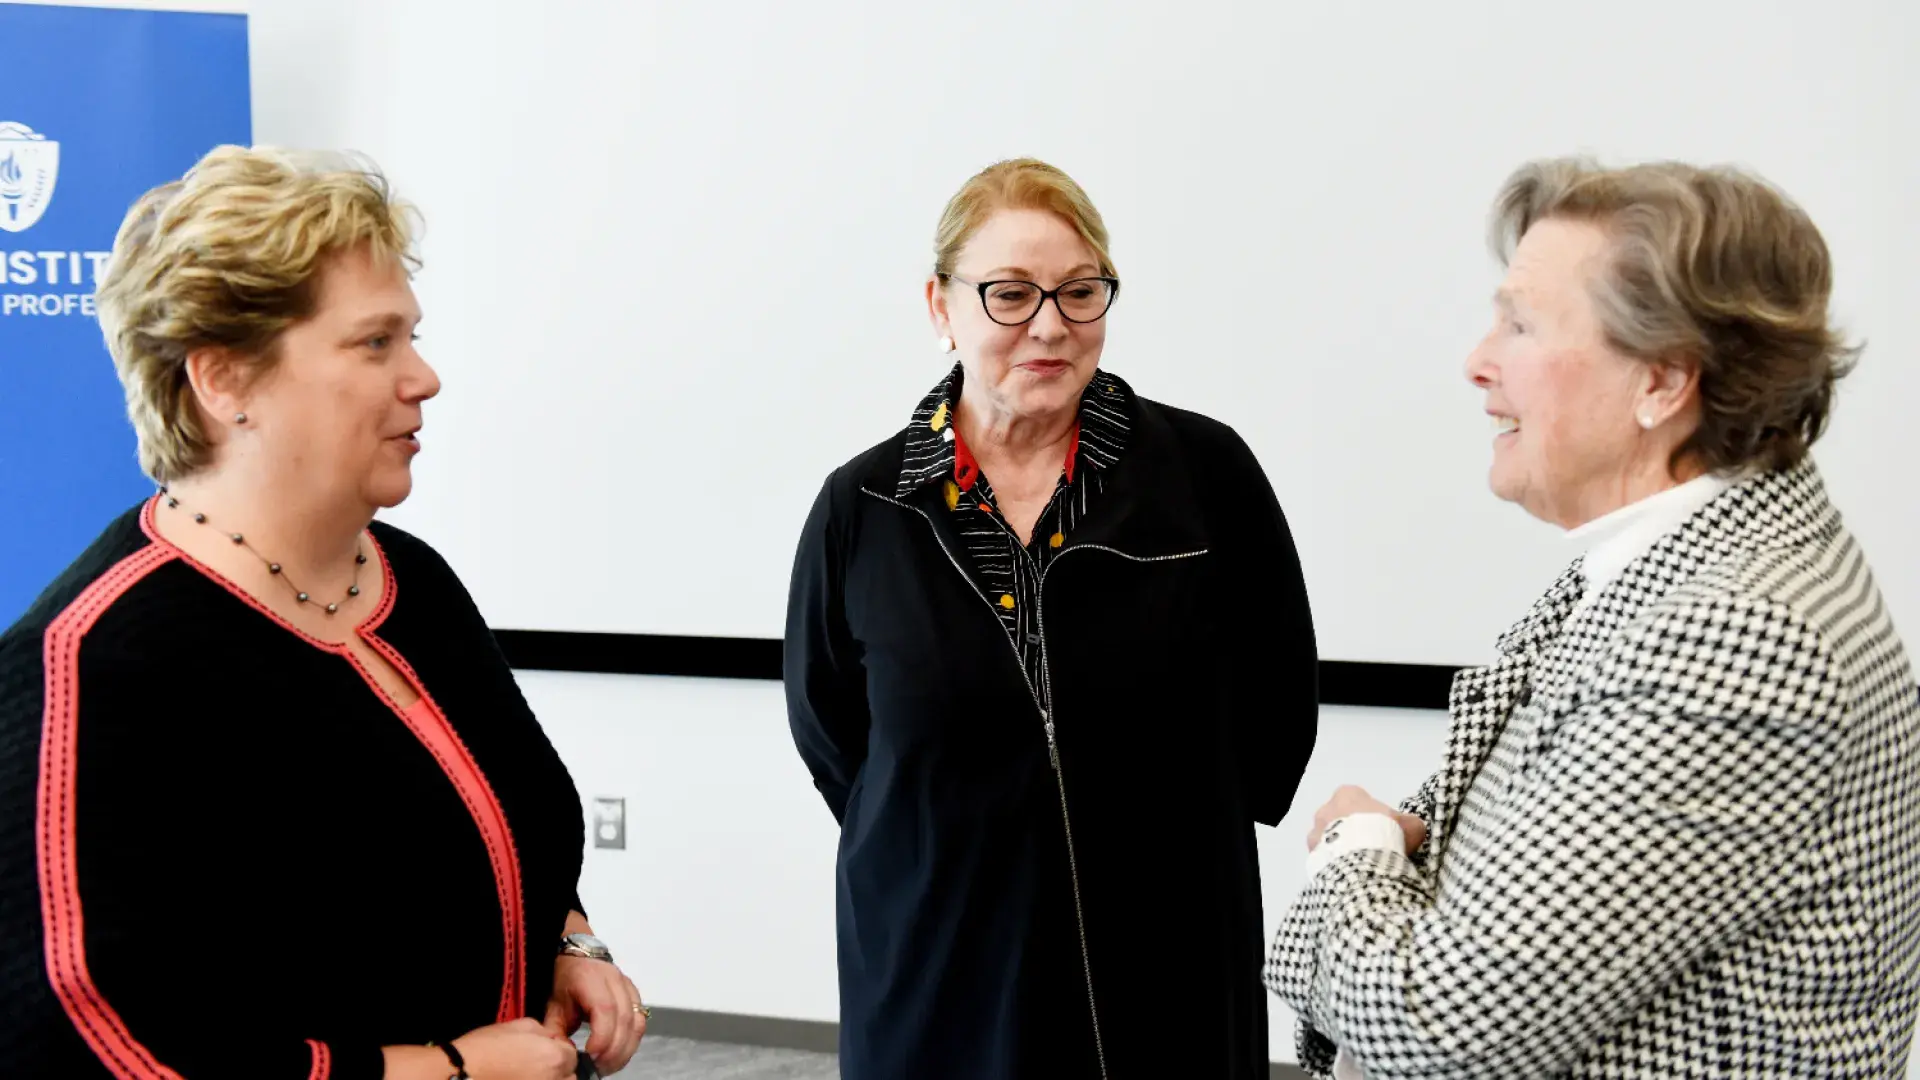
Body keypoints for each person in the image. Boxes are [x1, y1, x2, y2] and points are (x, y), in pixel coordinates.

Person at [0, 146, 648, 1079]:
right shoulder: (91, 662)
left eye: (411, 337)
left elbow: (500, 824)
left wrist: (565, 937)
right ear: (224, 381)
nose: (423, 377)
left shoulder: (409, 581)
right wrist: (452, 1069)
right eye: (375, 342)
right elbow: (104, 1043)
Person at [1266, 157, 1920, 1079]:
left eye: (1521, 324)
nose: (1477, 361)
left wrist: (1353, 852)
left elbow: (1439, 1027)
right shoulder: (1684, 555)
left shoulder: (1735, 637)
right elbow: (1509, 817)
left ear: (1662, 382)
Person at [784, 157, 1320, 1080]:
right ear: (941, 306)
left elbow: (1278, 700)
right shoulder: (863, 506)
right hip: (937, 957)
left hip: (1166, 954)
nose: (1049, 325)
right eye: (1009, 294)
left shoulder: (1204, 472)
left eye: (1080, 292)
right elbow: (834, 734)